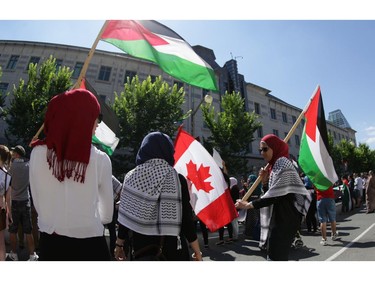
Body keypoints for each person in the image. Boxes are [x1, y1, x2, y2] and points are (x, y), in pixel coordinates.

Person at [29, 88, 114, 261]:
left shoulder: (37, 153)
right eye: (94, 116)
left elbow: (37, 204)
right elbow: (107, 215)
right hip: (90, 246)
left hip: (50, 245)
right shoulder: (100, 159)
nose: (97, 124)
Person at [114, 131, 202, 261]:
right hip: (173, 251)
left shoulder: (131, 178)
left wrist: (119, 245)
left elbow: (125, 216)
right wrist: (197, 251)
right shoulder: (177, 179)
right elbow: (186, 220)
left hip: (141, 250)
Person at [235, 134, 311, 261]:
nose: (262, 153)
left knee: (276, 256)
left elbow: (275, 195)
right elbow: (272, 193)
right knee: (275, 254)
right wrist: (265, 181)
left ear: (274, 148)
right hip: (278, 217)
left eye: (265, 149)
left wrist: (249, 205)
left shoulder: (283, 163)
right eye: (260, 150)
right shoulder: (274, 165)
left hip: (285, 218)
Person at [7, 145, 38, 261]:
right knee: (28, 230)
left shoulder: (11, 166)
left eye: (14, 152)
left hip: (14, 201)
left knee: (13, 230)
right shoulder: (29, 166)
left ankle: (14, 254)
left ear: (17, 154)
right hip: (26, 200)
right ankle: (32, 254)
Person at [0, 145, 12, 261]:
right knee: (1, 242)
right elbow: (8, 200)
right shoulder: (8, 176)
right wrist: (9, 216)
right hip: (1, 210)